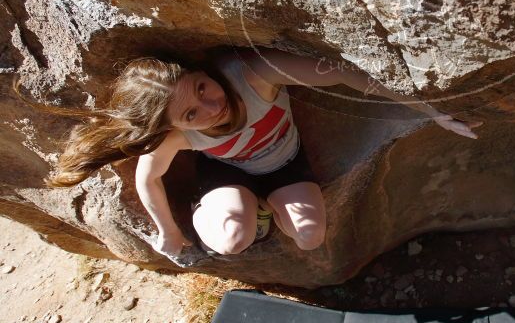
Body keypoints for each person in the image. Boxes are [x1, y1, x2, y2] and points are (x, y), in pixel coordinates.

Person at [26, 47, 482, 259]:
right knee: (229, 237)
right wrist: (167, 232)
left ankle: (265, 210)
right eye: (191, 113)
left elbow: (346, 74)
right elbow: (148, 178)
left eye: (202, 88)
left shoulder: (254, 74)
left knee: (309, 237)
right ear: (173, 127)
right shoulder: (174, 139)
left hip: (285, 164)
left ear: (200, 72)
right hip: (227, 174)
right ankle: (240, 212)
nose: (211, 105)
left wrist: (432, 112)